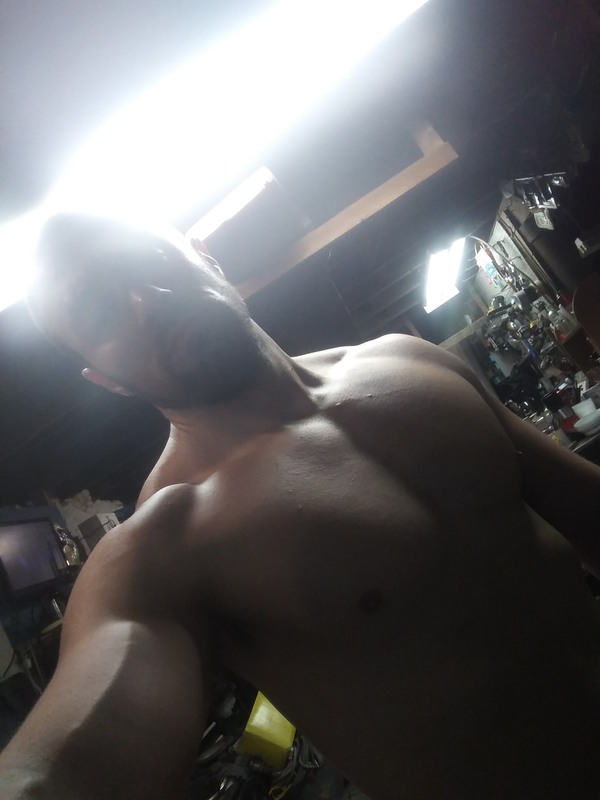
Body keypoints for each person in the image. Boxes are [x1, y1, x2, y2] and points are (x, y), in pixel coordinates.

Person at [1, 211, 600, 800]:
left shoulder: (410, 361)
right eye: (99, 312)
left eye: (149, 261)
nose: (145, 301)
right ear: (107, 380)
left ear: (206, 257)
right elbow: (64, 769)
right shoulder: (165, 547)